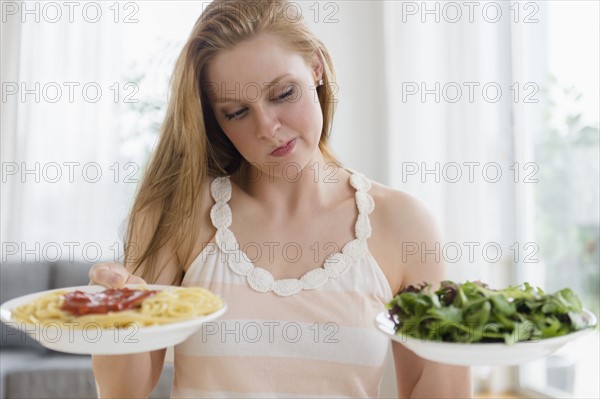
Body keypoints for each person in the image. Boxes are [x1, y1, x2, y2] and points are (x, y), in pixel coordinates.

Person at [90, 0, 472, 397]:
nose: (268, 128)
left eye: (283, 93)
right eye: (237, 112)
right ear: (214, 120)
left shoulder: (402, 224)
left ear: (316, 68)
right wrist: (115, 310)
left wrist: (462, 332)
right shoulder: (180, 212)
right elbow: (122, 391)